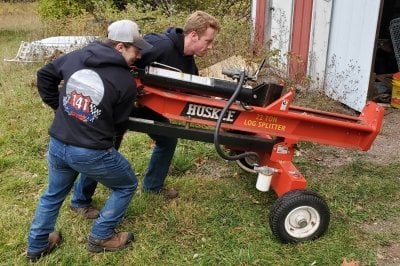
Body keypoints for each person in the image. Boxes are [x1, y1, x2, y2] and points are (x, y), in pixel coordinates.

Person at [70, 11, 220, 217]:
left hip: (148, 106)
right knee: (105, 148)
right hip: (120, 103)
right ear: (193, 35)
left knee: (167, 137)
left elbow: (192, 87)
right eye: (208, 41)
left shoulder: (187, 60)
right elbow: (118, 59)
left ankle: (153, 186)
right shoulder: (159, 46)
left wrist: (216, 99)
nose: (210, 46)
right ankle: (80, 201)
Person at [26, 19, 152, 262]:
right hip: (90, 152)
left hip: (58, 144)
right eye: (136, 50)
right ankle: (101, 236)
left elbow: (45, 75)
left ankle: (36, 246)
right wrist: (64, 108)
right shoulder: (125, 81)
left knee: (52, 194)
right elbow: (118, 124)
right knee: (126, 184)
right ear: (119, 47)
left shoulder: (76, 56)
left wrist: (62, 108)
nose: (138, 56)